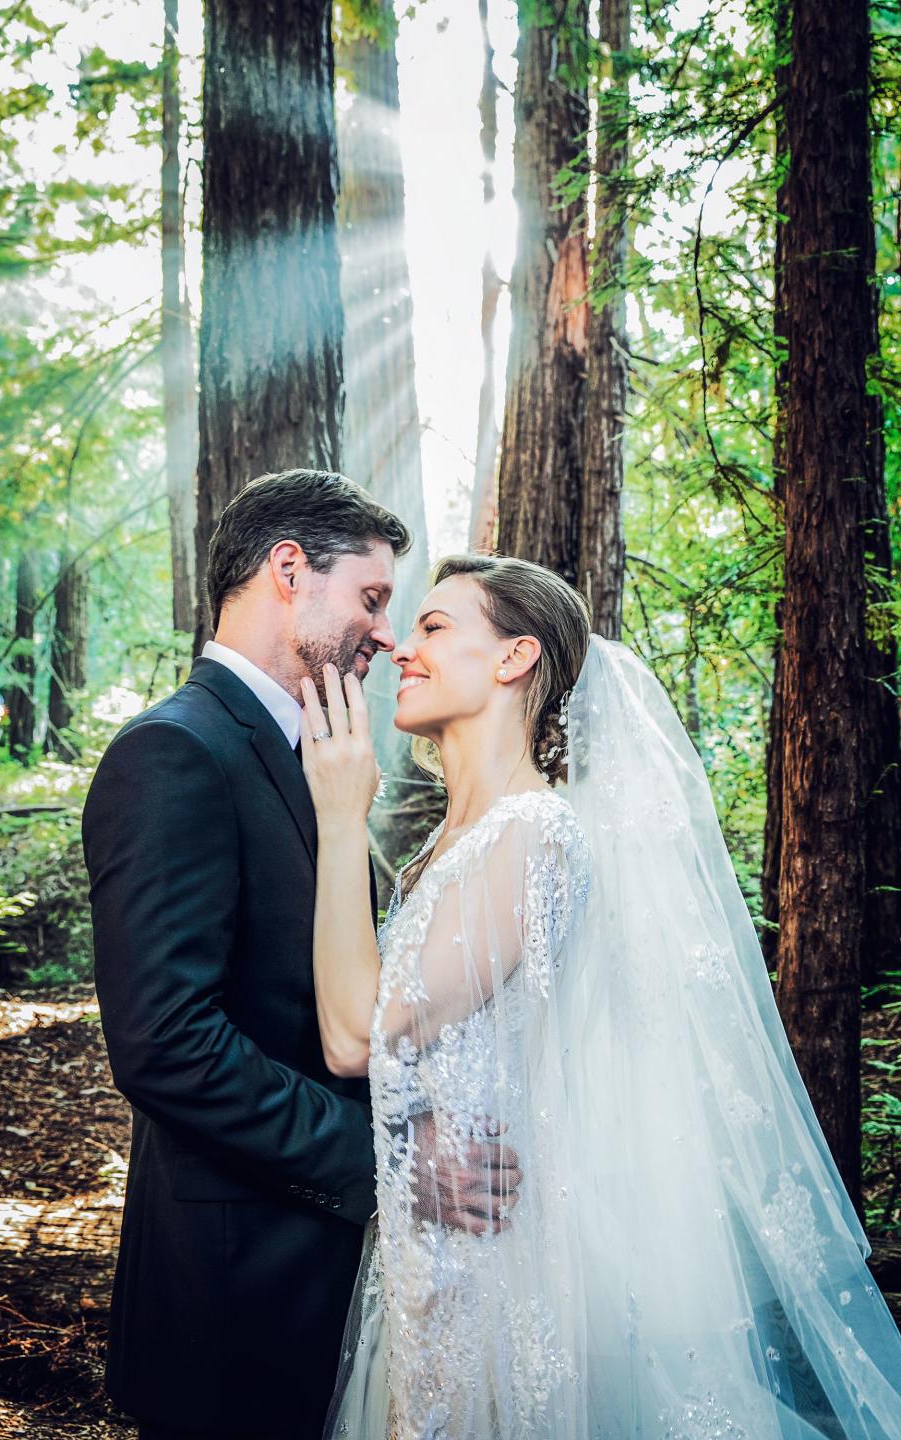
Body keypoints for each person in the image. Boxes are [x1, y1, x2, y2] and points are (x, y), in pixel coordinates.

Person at [301, 551, 901, 1440]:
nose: (403, 650)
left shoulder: (535, 834)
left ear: (514, 658)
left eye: (433, 627)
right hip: (432, 1259)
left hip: (496, 1277)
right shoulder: (448, 847)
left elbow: (356, 1039)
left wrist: (341, 816)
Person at [82, 471, 520, 1440]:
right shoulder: (173, 753)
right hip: (232, 1293)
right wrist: (389, 1161)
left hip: (329, 1291)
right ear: (290, 570)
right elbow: (166, 1045)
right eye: (370, 598)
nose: (384, 635)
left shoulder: (318, 762)